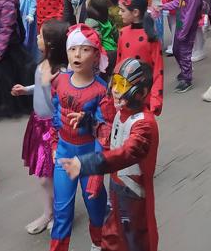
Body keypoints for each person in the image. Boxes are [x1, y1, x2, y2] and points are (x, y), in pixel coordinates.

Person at [60, 58, 159, 251]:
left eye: (123, 85)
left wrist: (85, 163)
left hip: (134, 199)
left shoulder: (144, 124)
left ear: (141, 93)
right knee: (111, 238)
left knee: (134, 243)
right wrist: (88, 121)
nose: (114, 89)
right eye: (115, 82)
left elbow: (126, 153)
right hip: (117, 192)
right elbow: (110, 136)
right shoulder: (122, 116)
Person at [50, 24, 108, 251]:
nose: (77, 54)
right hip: (63, 154)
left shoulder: (101, 90)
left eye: (85, 49)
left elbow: (104, 131)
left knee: (95, 207)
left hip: (88, 158)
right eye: (73, 49)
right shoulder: (60, 80)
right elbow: (56, 113)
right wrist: (54, 143)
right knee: (62, 210)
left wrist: (96, 169)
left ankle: (100, 243)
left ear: (95, 55)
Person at [11, 19, 68, 235]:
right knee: (44, 176)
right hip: (37, 124)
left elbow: (59, 100)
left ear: (51, 44)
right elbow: (41, 85)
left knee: (48, 176)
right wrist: (25, 90)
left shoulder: (61, 72)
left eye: (41, 36)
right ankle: (50, 212)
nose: (36, 38)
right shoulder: (43, 65)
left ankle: (55, 212)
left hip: (52, 129)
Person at [115, 0, 164, 115]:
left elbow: (158, 71)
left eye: (122, 10)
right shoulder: (123, 33)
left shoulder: (151, 38)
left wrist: (155, 99)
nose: (119, 13)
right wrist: (115, 90)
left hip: (143, 95)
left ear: (135, 12)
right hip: (124, 93)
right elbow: (118, 66)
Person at [160, 0, 202, 93]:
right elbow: (178, 2)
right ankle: (184, 71)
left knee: (184, 52)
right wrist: (164, 6)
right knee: (176, 50)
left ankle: (187, 78)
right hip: (180, 24)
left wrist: (183, 32)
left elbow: (190, 15)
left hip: (186, 28)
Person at [85, 0, 118, 78]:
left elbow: (96, 38)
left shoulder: (91, 22)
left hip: (104, 53)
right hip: (114, 50)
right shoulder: (108, 19)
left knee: (101, 77)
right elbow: (116, 34)